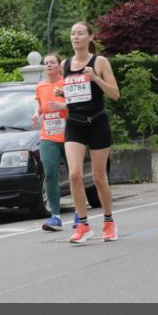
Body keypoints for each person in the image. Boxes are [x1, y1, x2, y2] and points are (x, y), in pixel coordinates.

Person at [54, 21, 120, 244]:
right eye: (73, 34)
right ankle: (83, 225)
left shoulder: (99, 62)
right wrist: (62, 93)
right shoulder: (65, 64)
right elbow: (73, 97)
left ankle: (109, 221)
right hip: (74, 123)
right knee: (74, 175)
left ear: (90, 37)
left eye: (80, 33)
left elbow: (115, 94)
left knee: (100, 178)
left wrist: (96, 78)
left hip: (97, 122)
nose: (76, 37)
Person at [32, 53, 68, 231]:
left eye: (52, 62)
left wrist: (64, 106)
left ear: (59, 65)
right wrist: (37, 113)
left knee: (74, 175)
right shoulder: (40, 86)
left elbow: (78, 104)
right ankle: (55, 216)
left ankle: (80, 215)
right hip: (48, 136)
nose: (49, 65)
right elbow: (40, 105)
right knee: (51, 174)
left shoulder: (66, 83)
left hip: (69, 135)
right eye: (46, 63)